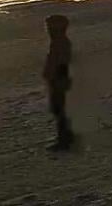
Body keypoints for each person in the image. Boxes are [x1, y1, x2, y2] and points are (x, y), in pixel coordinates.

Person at [43, 14, 75, 151]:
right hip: (57, 79)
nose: (48, 30)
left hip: (59, 80)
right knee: (59, 109)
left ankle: (64, 140)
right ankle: (66, 137)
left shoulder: (60, 43)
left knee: (59, 110)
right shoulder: (58, 42)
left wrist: (57, 80)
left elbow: (62, 64)